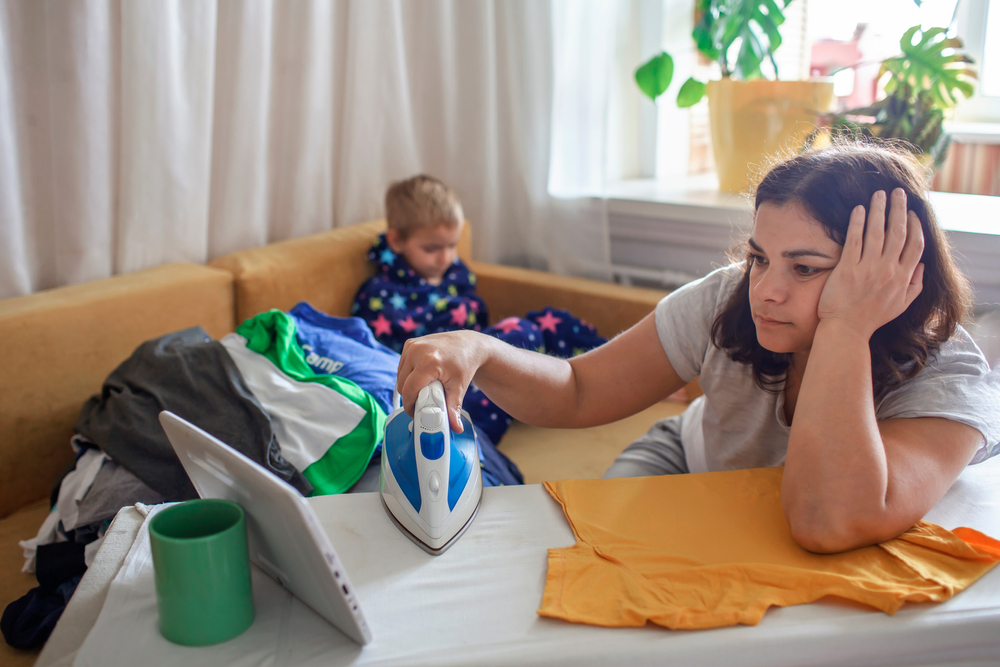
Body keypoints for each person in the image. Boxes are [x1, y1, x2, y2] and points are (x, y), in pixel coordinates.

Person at [394, 143, 1000, 554]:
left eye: (807, 268)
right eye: (759, 258)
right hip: (686, 459)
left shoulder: (953, 376)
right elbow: (579, 391)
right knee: (591, 557)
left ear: (891, 272)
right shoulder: (727, 299)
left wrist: (845, 327)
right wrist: (481, 348)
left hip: (792, 517)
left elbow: (828, 519)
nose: (765, 291)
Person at [353, 174, 605, 443]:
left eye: (452, 245)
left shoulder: (455, 273)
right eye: (431, 248)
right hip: (443, 385)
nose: (445, 257)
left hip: (477, 357)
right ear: (396, 241)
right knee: (521, 330)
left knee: (550, 320)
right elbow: (384, 360)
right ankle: (470, 434)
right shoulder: (379, 294)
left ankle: (604, 370)